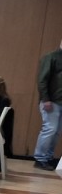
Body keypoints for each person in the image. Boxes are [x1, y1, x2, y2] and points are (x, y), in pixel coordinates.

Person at [34, 38, 62, 168]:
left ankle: (48, 157)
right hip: (51, 101)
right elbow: (42, 80)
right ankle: (40, 158)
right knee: (50, 129)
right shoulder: (51, 57)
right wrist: (45, 99)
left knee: (56, 131)